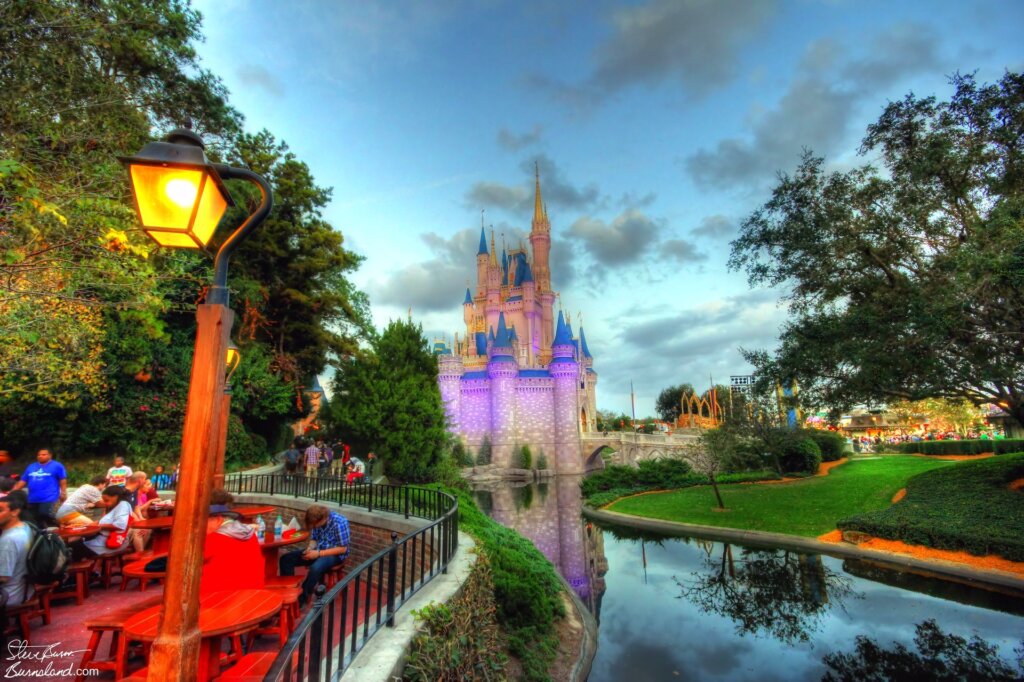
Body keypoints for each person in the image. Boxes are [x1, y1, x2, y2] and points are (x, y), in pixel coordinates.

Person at [278, 505, 349, 606]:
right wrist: (310, 548)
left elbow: (343, 549)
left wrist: (318, 554)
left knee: (315, 567)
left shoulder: (340, 523)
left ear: (323, 518)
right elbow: (314, 539)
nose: (314, 527)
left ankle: (302, 598)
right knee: (286, 559)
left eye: (315, 525)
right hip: (318, 550)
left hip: (335, 554)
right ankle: (288, 593)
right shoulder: (316, 522)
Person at [200, 491, 264, 593]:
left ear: (218, 520)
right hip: (253, 595)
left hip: (219, 601)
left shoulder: (213, 539)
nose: (200, 526)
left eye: (203, 520)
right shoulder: (250, 533)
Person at [70, 486, 132, 561]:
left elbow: (120, 525)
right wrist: (85, 526)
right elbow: (102, 521)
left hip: (111, 542)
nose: (105, 503)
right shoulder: (113, 506)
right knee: (74, 543)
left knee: (73, 548)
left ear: (115, 497)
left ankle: (85, 570)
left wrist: (98, 526)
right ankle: (88, 569)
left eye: (106, 500)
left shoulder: (123, 505)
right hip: (104, 539)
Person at [12, 449, 67, 528]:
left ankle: (56, 527)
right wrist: (12, 492)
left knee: (45, 513)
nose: (40, 456)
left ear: (50, 455)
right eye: (39, 455)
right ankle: (42, 533)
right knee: (33, 518)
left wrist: (63, 492)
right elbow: (23, 481)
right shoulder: (31, 466)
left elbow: (62, 480)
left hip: (49, 496)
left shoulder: (57, 466)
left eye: (43, 454)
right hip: (33, 498)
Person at [0, 491, 34, 607]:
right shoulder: (26, 527)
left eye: (0, 511)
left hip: (9, 595)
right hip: (26, 589)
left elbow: (3, 577)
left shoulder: (9, 540)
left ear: (15, 512)